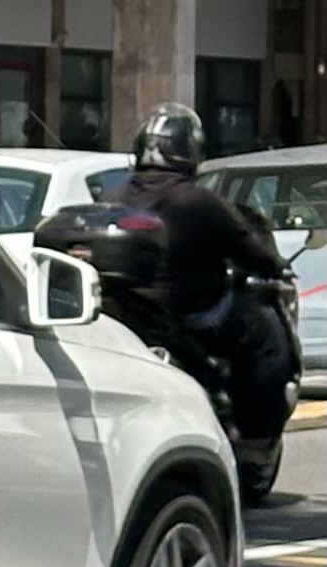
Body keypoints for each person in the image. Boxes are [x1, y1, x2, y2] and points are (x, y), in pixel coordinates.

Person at [113, 103, 296, 442]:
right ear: (188, 151)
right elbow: (252, 250)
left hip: (126, 321)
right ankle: (256, 438)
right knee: (266, 340)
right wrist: (278, 267)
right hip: (189, 318)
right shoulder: (197, 202)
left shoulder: (113, 198)